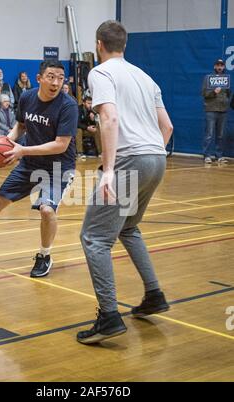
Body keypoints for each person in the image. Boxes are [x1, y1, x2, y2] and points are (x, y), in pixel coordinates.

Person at [77, 21, 173, 345]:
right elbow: (168, 127)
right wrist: (149, 153)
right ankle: (154, 295)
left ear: (99, 44)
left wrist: (108, 169)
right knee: (128, 228)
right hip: (157, 158)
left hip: (130, 160)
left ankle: (109, 317)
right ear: (124, 45)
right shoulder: (146, 77)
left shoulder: (101, 73)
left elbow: (110, 118)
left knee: (93, 238)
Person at [0, 60, 78, 279]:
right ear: (39, 79)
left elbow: (61, 144)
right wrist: (7, 142)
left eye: (60, 78)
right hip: (30, 164)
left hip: (59, 167)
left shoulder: (68, 105)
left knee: (47, 210)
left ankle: (45, 255)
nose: (56, 82)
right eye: (51, 77)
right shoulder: (27, 97)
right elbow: (21, 125)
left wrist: (22, 150)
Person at [202, 59, 231, 164]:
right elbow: (204, 93)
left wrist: (226, 103)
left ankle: (219, 156)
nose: (219, 67)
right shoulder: (208, 78)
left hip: (223, 110)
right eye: (218, 65)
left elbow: (228, 93)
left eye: (221, 65)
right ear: (214, 66)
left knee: (221, 135)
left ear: (224, 67)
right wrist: (214, 92)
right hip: (211, 110)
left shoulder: (226, 79)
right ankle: (207, 155)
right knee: (209, 134)